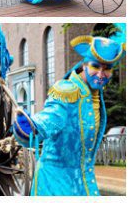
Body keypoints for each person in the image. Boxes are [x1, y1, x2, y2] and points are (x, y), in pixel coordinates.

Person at [14, 26, 125, 196]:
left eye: (108, 68)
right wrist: (31, 126)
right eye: (96, 66)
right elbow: (51, 117)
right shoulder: (67, 91)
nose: (101, 74)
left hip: (83, 182)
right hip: (55, 185)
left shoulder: (95, 93)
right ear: (84, 65)